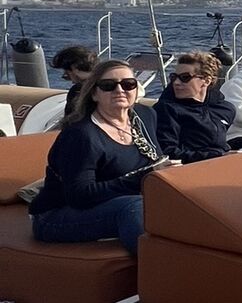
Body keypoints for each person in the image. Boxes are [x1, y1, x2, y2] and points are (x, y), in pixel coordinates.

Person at [28, 58, 180, 255]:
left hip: (125, 202)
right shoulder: (82, 135)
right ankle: (159, 275)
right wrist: (143, 178)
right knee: (132, 207)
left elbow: (155, 159)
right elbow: (79, 196)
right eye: (108, 86)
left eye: (128, 84)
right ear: (94, 93)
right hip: (57, 215)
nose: (120, 90)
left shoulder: (145, 116)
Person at [154, 51, 236, 162]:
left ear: (206, 81)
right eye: (174, 77)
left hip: (222, 163)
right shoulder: (166, 110)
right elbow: (168, 152)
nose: (176, 82)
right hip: (191, 169)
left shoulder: (225, 109)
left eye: (184, 77)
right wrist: (216, 156)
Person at [51, 43, 98, 115]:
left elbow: (69, 121)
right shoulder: (110, 86)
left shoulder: (77, 91)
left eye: (67, 72)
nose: (66, 76)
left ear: (74, 68)